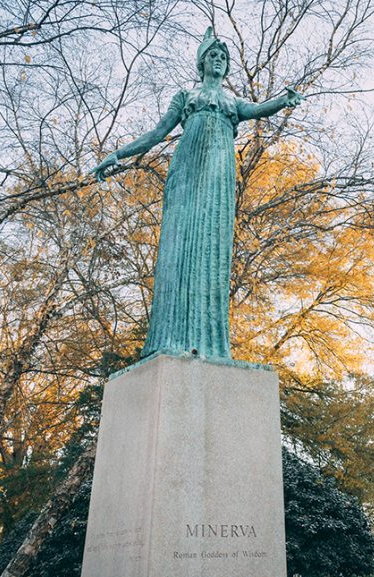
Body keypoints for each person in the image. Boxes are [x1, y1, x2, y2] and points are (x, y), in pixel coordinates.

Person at [93, 27, 302, 360]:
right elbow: (155, 134)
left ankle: (208, 343)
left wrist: (284, 101)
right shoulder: (186, 98)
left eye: (223, 57)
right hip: (187, 173)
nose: (218, 60)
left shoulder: (232, 101)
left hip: (218, 179)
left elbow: (260, 109)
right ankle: (169, 338)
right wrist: (117, 155)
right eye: (212, 55)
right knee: (178, 249)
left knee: (212, 252)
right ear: (202, 63)